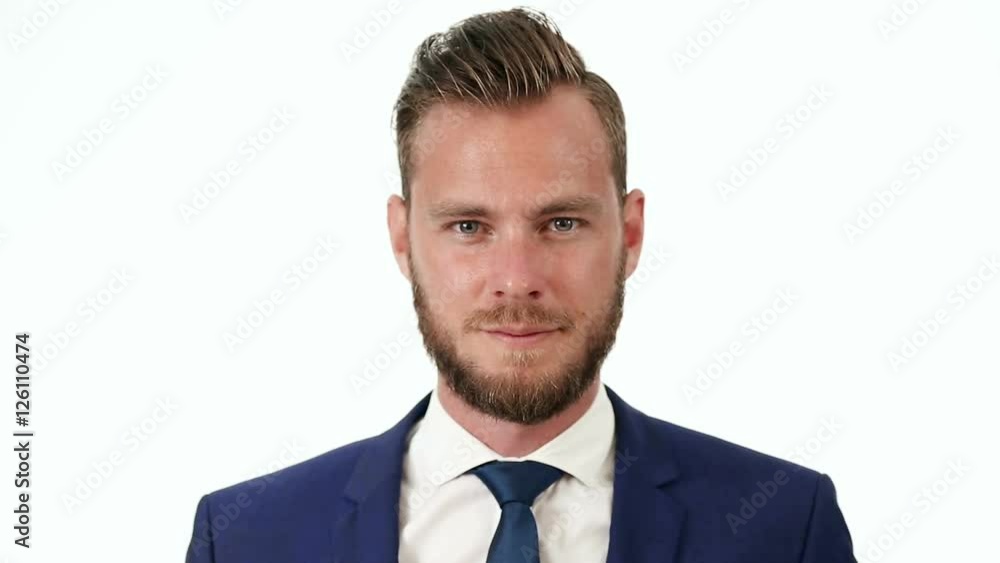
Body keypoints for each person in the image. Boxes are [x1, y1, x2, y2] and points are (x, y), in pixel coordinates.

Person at [184, 7, 857, 562]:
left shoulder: (783, 529)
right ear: (402, 237)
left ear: (628, 233)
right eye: (469, 226)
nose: (517, 279)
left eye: (561, 222)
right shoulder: (247, 539)